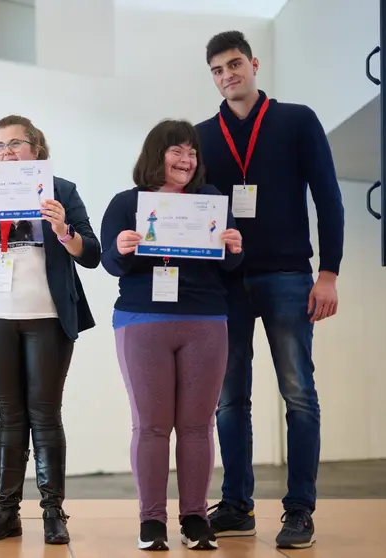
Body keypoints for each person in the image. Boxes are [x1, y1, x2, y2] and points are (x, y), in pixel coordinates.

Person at [196, 31, 345, 550]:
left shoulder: (297, 120)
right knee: (228, 400)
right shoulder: (201, 135)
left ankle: (300, 511)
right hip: (225, 283)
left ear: (253, 64)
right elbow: (189, 210)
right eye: (217, 70)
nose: (227, 76)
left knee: (299, 395)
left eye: (234, 64)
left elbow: (328, 197)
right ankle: (237, 505)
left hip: (288, 277)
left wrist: (329, 272)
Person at [0, 115, 100, 545]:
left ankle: (53, 512)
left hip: (48, 315)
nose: (7, 152)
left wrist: (63, 231)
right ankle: (6, 511)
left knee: (46, 414)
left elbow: (91, 253)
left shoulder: (62, 191)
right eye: (0, 145)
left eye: (16, 143)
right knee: (10, 416)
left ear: (36, 148)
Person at [101, 119, 244, 551]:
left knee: (198, 426)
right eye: (176, 151)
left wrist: (234, 245)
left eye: (192, 153)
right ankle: (152, 522)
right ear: (155, 155)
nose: (186, 160)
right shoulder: (127, 203)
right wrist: (123, 248)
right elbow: (109, 262)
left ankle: (196, 518)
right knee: (151, 426)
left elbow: (232, 266)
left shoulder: (210, 201)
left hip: (204, 320)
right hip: (142, 320)